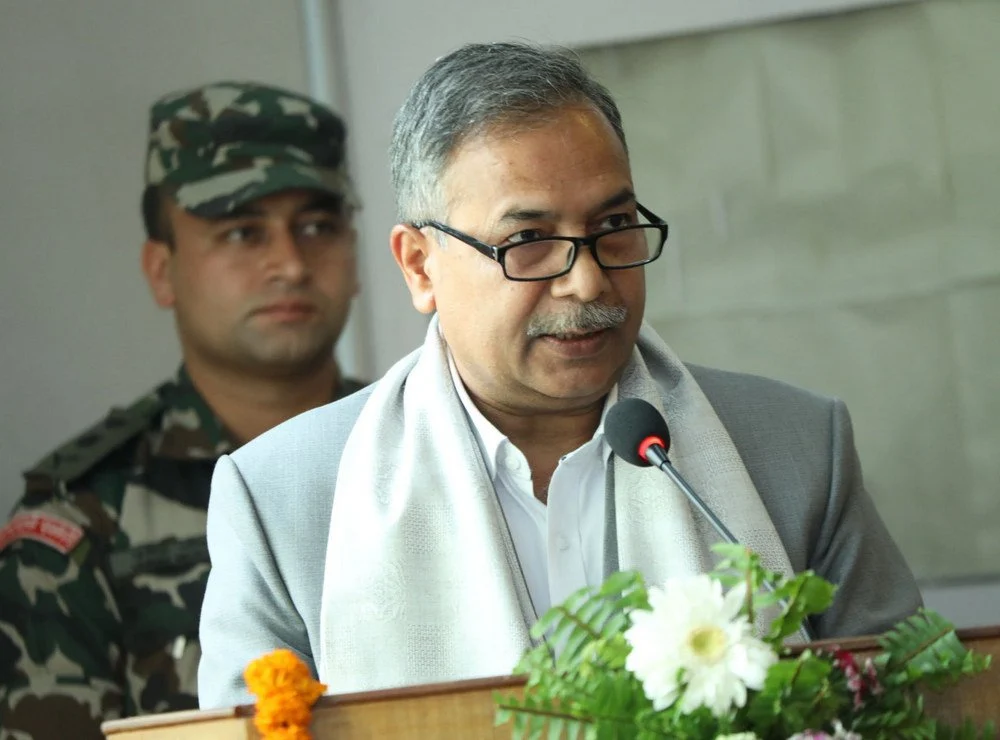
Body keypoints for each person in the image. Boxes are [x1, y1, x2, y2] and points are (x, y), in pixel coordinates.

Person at [197, 42, 922, 709]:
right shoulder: (283, 500)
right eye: (529, 240)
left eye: (613, 228)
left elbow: (910, 706)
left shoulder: (797, 452)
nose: (587, 281)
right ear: (419, 266)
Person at [0, 81, 366, 739]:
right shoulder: (84, 514)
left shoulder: (431, 447)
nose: (290, 264)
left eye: (317, 227)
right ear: (161, 270)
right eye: (242, 232)